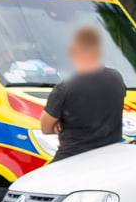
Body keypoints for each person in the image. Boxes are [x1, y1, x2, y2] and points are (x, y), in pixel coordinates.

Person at [40, 26, 126, 162]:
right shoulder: (117, 78)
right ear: (99, 51)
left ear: (72, 51)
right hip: (109, 159)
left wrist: (59, 123)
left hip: (71, 160)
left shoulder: (65, 88)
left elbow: (45, 127)